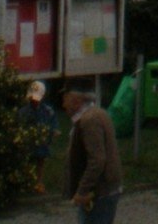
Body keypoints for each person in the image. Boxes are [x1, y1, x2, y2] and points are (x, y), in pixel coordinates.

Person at [61, 84, 122, 224]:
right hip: (105, 191)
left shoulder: (89, 120)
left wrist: (82, 190)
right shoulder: (98, 113)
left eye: (66, 99)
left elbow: (97, 160)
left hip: (98, 193)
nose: (63, 105)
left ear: (77, 101)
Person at [18, 79, 58, 193]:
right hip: (29, 141)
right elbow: (21, 124)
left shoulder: (48, 110)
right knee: (28, 161)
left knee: (40, 161)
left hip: (42, 141)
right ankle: (26, 182)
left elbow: (53, 122)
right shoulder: (24, 111)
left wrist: (54, 131)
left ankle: (38, 182)